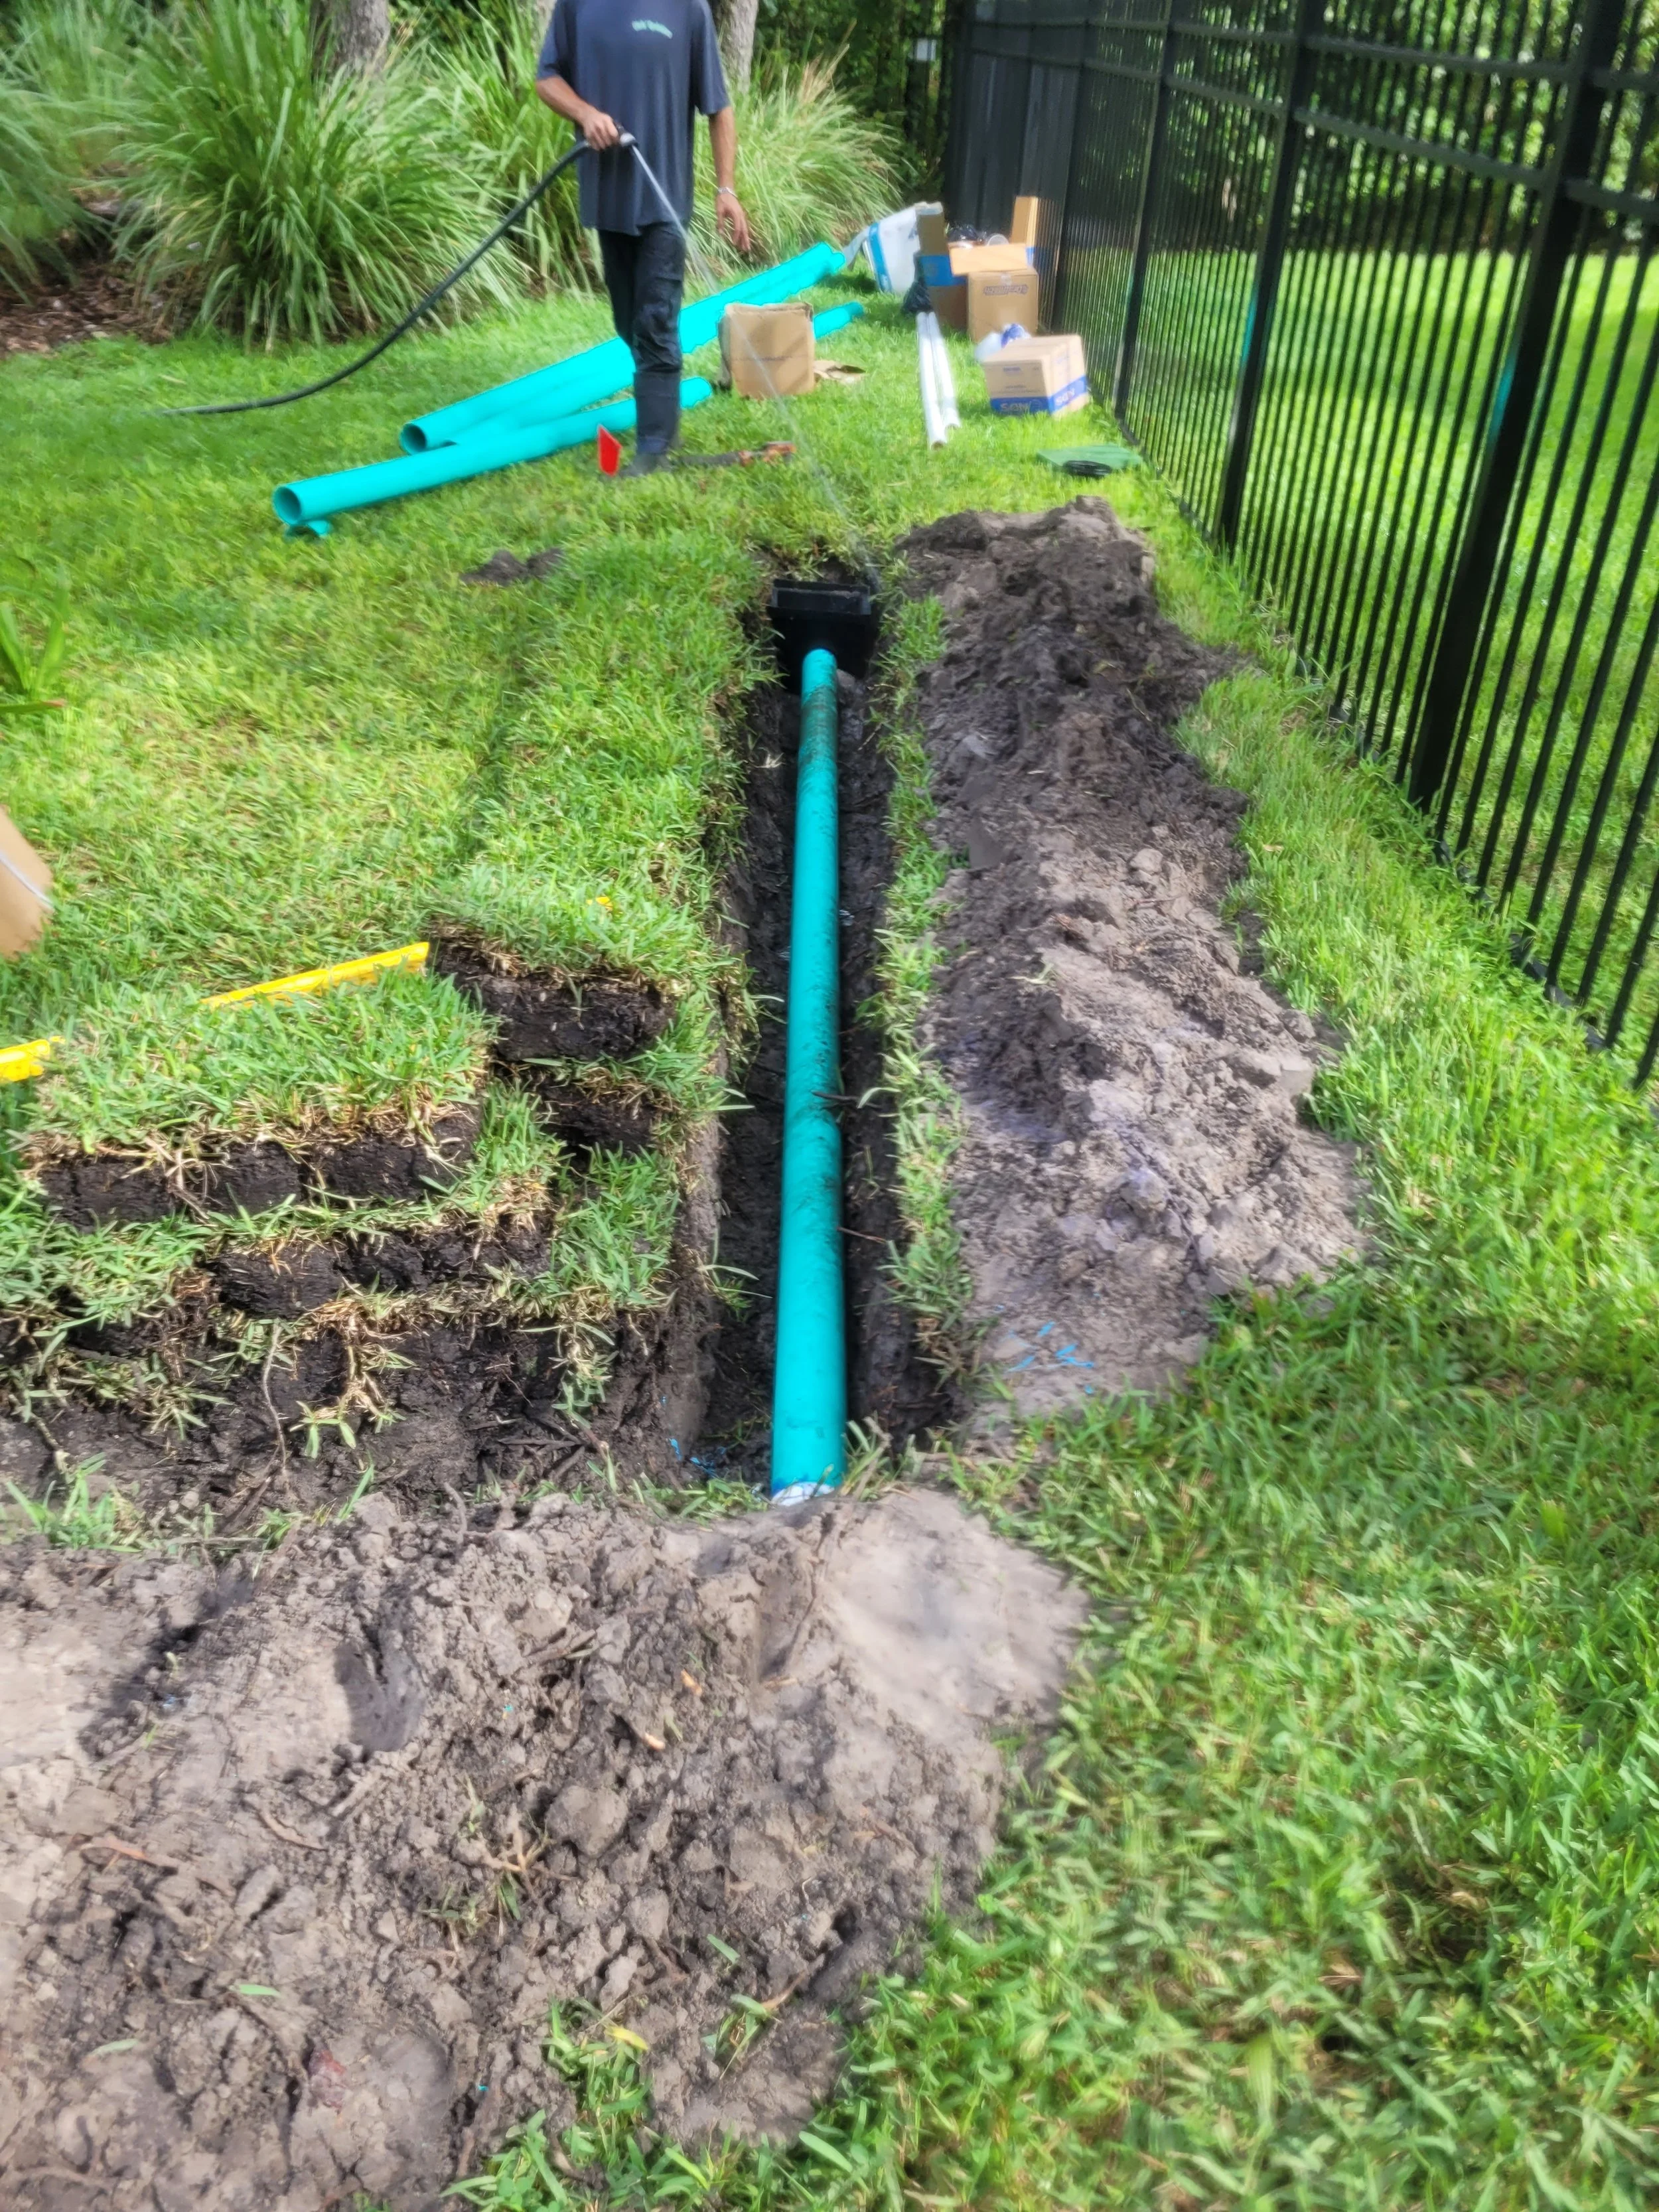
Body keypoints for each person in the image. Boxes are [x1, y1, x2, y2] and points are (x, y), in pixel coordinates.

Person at [536, 0, 752, 477]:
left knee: (656, 317)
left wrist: (726, 188)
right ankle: (661, 413)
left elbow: (718, 106)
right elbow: (547, 78)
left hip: (664, 198)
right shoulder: (578, 7)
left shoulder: (687, 10)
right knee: (628, 318)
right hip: (607, 197)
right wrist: (585, 113)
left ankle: (655, 446)